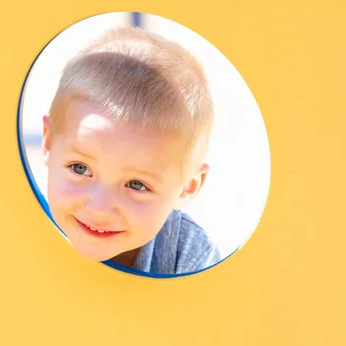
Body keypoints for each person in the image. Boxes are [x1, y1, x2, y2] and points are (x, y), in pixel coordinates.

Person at [41, 26, 221, 275]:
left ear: (188, 186)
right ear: (48, 142)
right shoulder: (21, 219)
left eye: (137, 185)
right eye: (80, 168)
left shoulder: (190, 257)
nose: (99, 209)